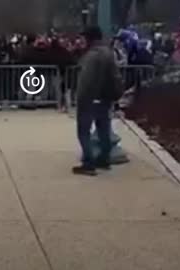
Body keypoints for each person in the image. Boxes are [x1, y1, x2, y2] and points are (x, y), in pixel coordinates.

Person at [73, 26, 122, 176]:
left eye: (84, 37)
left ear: (90, 38)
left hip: (89, 98)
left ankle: (88, 163)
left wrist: (80, 98)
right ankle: (104, 159)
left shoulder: (92, 56)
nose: (81, 41)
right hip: (105, 98)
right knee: (103, 129)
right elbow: (116, 77)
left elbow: (85, 81)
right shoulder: (109, 53)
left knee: (83, 132)